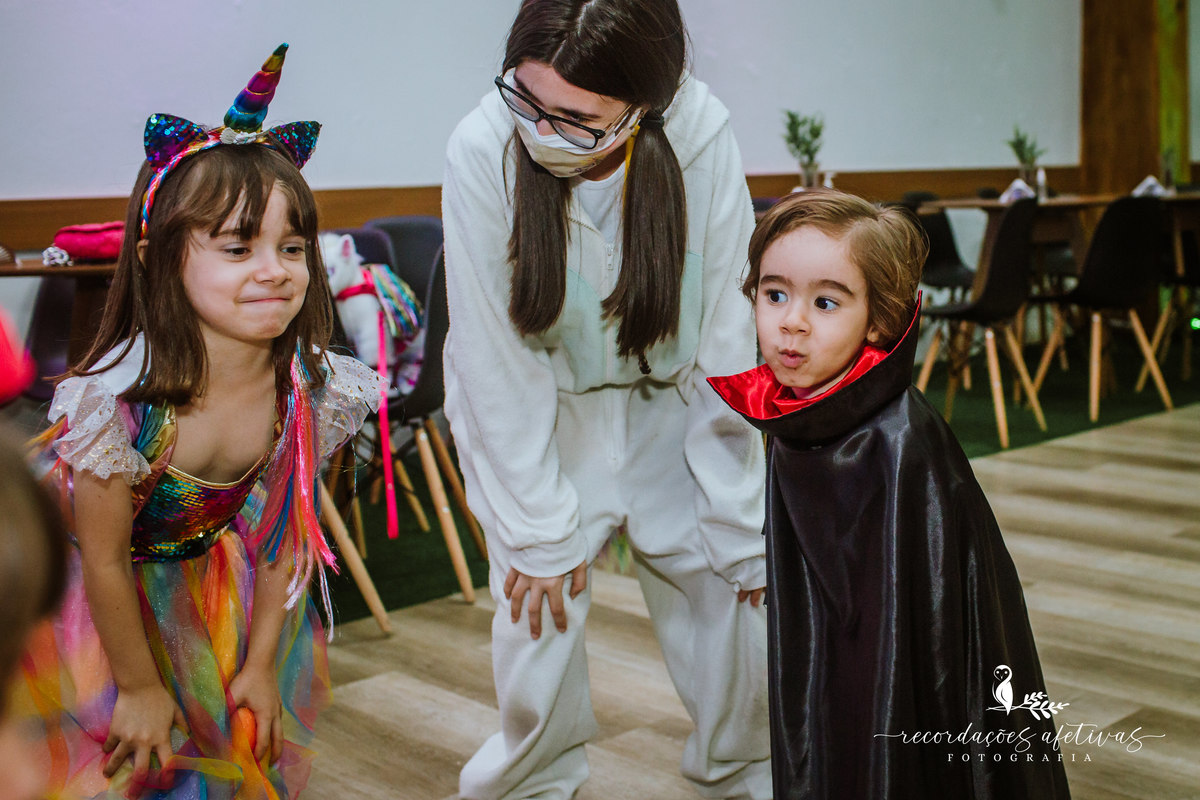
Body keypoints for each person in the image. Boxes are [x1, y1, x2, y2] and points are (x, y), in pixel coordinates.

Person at [12, 44, 381, 799]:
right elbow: (105, 560)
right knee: (112, 765)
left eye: (292, 247)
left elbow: (285, 537)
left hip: (212, 578)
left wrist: (259, 665)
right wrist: (140, 688)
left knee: (220, 758)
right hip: (88, 598)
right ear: (161, 259)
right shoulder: (117, 404)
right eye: (239, 247)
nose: (274, 269)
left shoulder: (306, 391)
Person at [441, 1, 771, 798]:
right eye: (529, 100)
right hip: (544, 407)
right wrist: (535, 523)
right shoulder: (482, 144)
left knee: (728, 587)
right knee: (537, 603)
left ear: (644, 106)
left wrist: (739, 513)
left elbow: (727, 333)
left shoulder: (699, 135)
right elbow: (494, 353)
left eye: (579, 120)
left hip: (673, 399)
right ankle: (531, 778)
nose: (544, 133)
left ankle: (746, 763)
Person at [709, 189, 1072, 799]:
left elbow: (909, 639)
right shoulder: (802, 414)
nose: (791, 321)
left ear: (879, 320)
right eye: (775, 295)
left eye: (826, 302)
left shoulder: (898, 443)